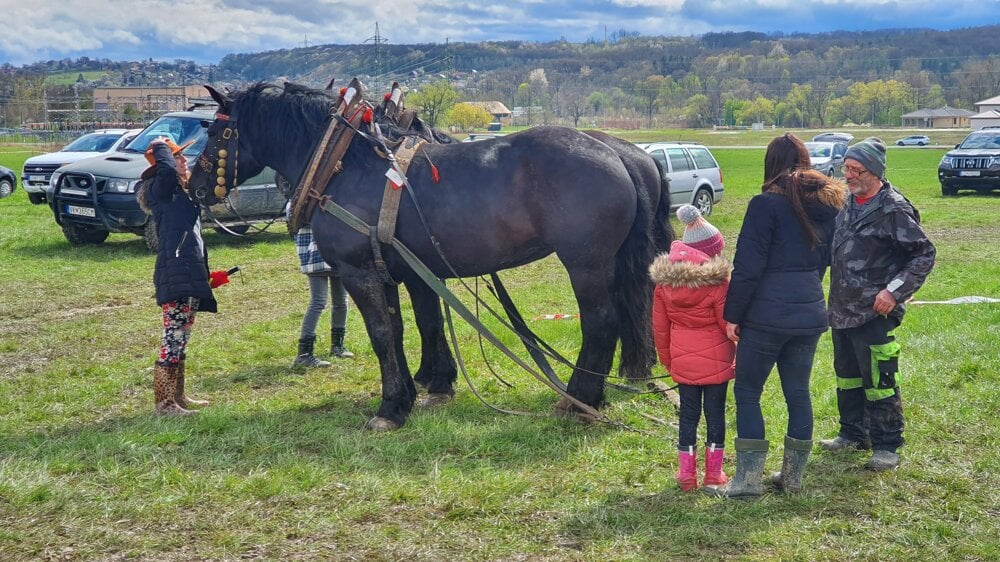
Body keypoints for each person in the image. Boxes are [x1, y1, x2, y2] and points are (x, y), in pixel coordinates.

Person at [713, 133, 846, 497]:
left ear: (771, 164)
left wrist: (732, 314)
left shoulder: (764, 205)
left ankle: (748, 481)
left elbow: (748, 267)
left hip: (766, 316)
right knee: (798, 394)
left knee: (749, 392)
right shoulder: (829, 205)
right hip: (809, 312)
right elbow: (825, 261)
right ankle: (793, 479)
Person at [820, 137, 935, 471]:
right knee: (848, 376)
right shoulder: (847, 201)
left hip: (874, 311)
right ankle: (853, 433)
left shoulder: (894, 208)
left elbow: (923, 254)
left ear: (874, 172)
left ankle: (887, 446)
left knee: (879, 378)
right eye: (847, 168)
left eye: (856, 170)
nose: (849, 175)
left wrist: (893, 291)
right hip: (842, 310)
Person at [649, 205, 735, 491]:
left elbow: (660, 328)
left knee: (687, 416)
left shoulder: (663, 285)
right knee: (715, 414)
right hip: (718, 362)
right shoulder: (720, 284)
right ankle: (714, 475)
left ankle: (686, 475)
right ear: (711, 252)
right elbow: (730, 326)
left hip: (682, 360)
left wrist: (668, 360)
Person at [138, 138, 225, 416]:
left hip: (188, 272)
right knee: (172, 338)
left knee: (182, 337)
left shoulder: (179, 192)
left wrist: (206, 274)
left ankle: (178, 397)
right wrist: (160, 145)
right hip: (174, 274)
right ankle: (164, 405)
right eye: (179, 157)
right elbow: (164, 169)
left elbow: (195, 239)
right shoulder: (161, 189)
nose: (184, 161)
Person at [289, 206, 354, 367]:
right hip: (315, 251)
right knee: (318, 301)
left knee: (342, 301)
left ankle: (337, 345)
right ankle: (304, 354)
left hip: (337, 249)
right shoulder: (302, 198)